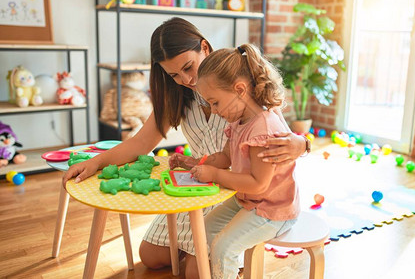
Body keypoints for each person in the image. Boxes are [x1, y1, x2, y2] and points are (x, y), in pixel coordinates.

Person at [63, 17, 307, 279]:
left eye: (189, 67)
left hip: (233, 189)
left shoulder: (237, 84)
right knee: (150, 256)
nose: (186, 80)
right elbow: (141, 143)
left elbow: (274, 139)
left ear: (204, 47)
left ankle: (226, 257)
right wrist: (97, 162)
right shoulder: (177, 95)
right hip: (198, 182)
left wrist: (303, 144)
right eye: (174, 75)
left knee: (197, 270)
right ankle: (205, 252)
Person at [172, 43, 300, 279]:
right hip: (250, 201)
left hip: (272, 209)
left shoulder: (263, 128)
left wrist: (216, 176)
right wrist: (195, 163)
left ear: (240, 89)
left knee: (224, 247)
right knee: (206, 227)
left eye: (215, 102)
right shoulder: (239, 121)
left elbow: (258, 184)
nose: (214, 110)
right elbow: (224, 157)